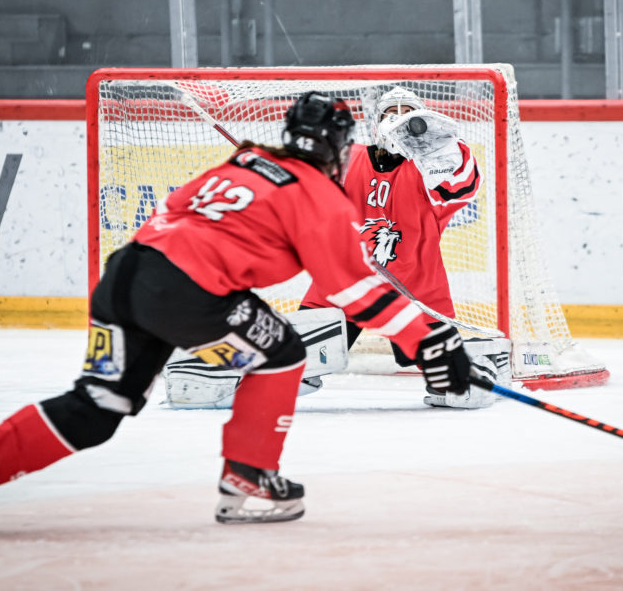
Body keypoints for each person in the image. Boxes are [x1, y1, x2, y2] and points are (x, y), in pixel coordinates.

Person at [0, 92, 474, 532]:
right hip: (186, 289)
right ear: (338, 144)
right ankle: (249, 480)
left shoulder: (244, 162)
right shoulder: (319, 195)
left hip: (124, 277)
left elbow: (172, 211)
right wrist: (432, 338)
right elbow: (354, 289)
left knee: (99, 406)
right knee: (283, 353)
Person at [162, 86, 511, 411]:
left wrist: (437, 149)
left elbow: (461, 185)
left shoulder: (428, 172)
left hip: (416, 288)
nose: (399, 120)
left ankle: (481, 366)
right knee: (295, 363)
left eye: (409, 114)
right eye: (391, 114)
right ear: (375, 124)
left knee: (454, 385)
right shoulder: (348, 157)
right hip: (343, 284)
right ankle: (230, 379)